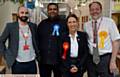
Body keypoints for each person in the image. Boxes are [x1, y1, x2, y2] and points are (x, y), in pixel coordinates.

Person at [84, 1, 120, 77]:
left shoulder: (110, 22)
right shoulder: (86, 25)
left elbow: (116, 41)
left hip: (106, 59)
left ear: (101, 10)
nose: (94, 11)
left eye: (97, 9)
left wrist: (113, 61)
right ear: (90, 11)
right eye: (92, 9)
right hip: (91, 59)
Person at [0, 6, 40, 74]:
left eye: (26, 13)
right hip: (17, 63)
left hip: (32, 62)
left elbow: (37, 41)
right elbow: (1, 41)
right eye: (22, 12)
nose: (24, 15)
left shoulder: (33, 26)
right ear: (18, 14)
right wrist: (7, 54)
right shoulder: (10, 26)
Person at [37, 3, 68, 77]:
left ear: (58, 11)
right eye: (50, 9)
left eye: (54, 9)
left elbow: (67, 40)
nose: (52, 11)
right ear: (47, 11)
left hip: (59, 61)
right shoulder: (42, 24)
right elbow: (37, 39)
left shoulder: (64, 24)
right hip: (44, 60)